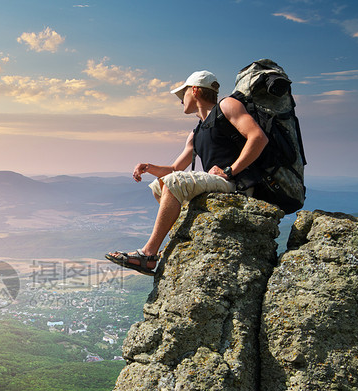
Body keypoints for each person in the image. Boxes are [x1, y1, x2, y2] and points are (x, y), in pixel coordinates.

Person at [105, 70, 268, 275]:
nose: (181, 102)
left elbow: (258, 138)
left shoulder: (227, 106)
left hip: (239, 183)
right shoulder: (197, 132)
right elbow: (175, 169)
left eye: (183, 96)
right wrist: (149, 167)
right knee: (159, 184)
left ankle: (148, 254)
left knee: (173, 182)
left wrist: (230, 170)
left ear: (196, 91)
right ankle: (176, 238)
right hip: (223, 181)